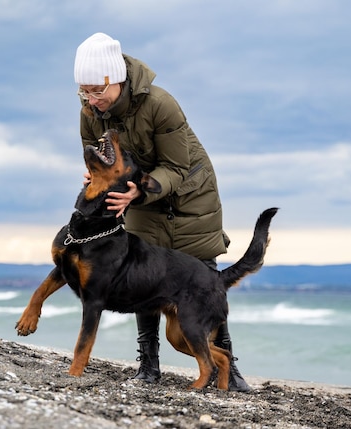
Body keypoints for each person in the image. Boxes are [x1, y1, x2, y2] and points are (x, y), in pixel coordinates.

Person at [73, 33, 250, 392]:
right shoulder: (90, 113)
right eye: (83, 91)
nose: (92, 100)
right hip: (136, 199)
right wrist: (99, 177)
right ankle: (147, 366)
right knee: (143, 274)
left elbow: (177, 166)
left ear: (116, 78)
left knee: (204, 277)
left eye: (97, 90)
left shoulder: (160, 104)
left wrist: (141, 188)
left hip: (189, 196)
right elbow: (98, 161)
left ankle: (229, 367)